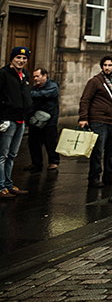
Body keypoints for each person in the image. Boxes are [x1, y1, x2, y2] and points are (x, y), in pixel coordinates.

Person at [78, 55, 112, 188]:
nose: (107, 68)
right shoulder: (95, 81)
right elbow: (85, 99)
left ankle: (109, 175)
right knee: (97, 151)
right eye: (105, 65)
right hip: (98, 121)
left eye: (110, 65)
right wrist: (83, 118)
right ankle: (94, 177)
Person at [0, 47, 32, 198]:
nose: (21, 61)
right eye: (18, 57)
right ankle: (1, 187)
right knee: (3, 155)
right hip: (8, 119)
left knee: (12, 154)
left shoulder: (25, 74)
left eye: (24, 58)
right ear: (12, 58)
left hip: (21, 119)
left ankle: (8, 184)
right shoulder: (3, 74)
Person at [25, 68, 60, 171]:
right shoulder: (34, 88)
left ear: (45, 76)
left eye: (37, 76)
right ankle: (36, 163)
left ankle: (53, 162)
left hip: (50, 120)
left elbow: (43, 94)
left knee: (50, 142)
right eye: (34, 76)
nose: (35, 79)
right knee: (33, 142)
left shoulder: (53, 86)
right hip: (35, 119)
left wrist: (27, 94)